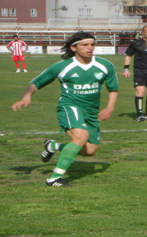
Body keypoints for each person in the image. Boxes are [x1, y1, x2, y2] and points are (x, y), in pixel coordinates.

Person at [11, 32, 119, 187]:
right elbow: (36, 82)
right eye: (85, 45)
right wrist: (27, 96)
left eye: (92, 44)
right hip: (69, 106)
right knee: (81, 136)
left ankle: (53, 146)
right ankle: (54, 178)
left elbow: (113, 89)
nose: (90, 48)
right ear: (73, 47)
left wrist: (109, 108)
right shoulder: (63, 66)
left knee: (90, 151)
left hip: (91, 111)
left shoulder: (105, 65)